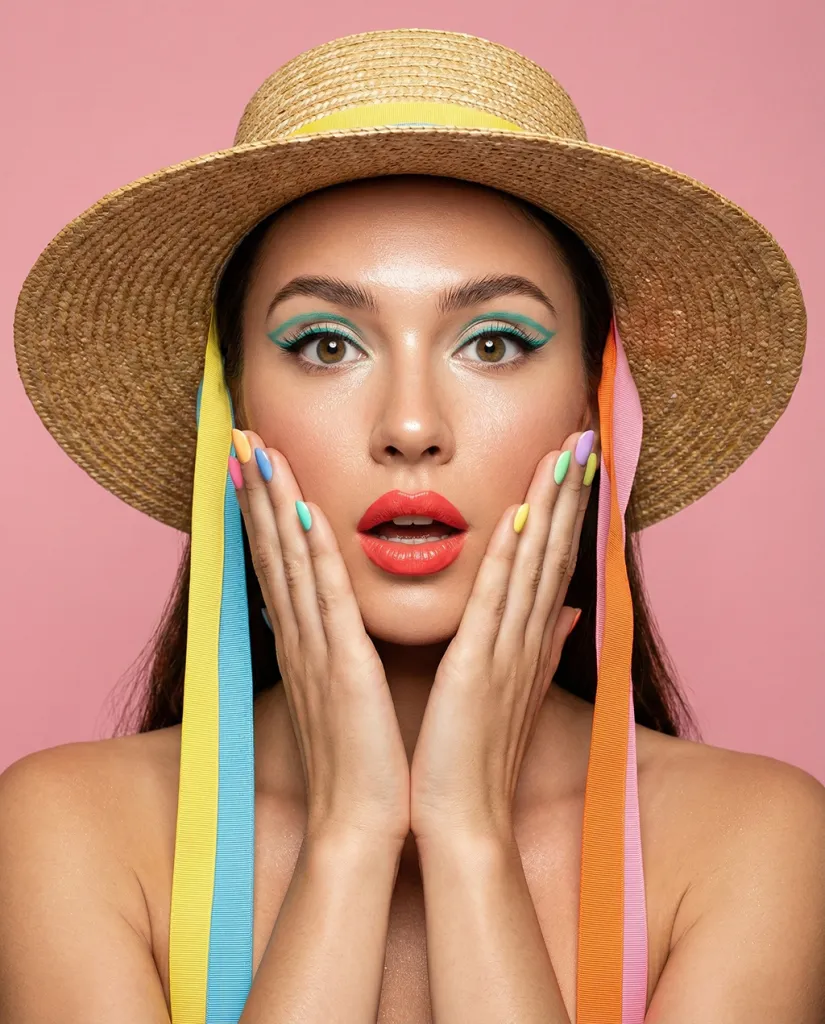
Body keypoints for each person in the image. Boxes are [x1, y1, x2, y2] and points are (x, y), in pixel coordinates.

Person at [2, 27, 824, 1024]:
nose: (409, 426)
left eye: (494, 341)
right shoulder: (70, 830)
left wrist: (468, 833)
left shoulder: (754, 841)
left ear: (593, 408)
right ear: (236, 409)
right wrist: (349, 835)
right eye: (325, 343)